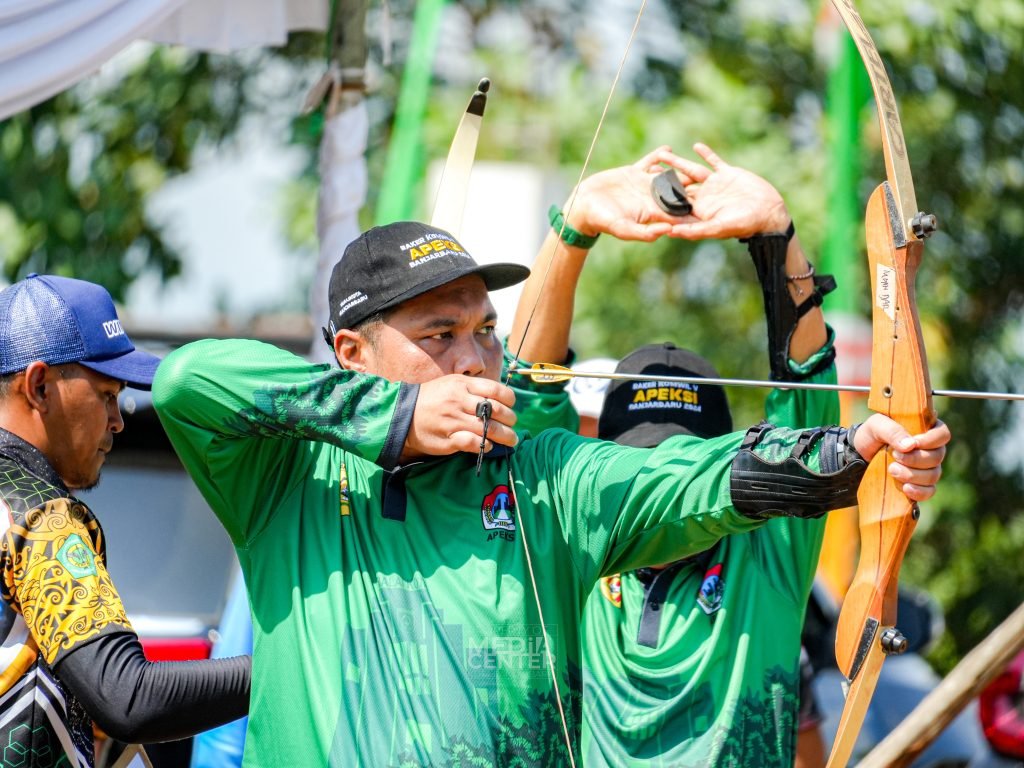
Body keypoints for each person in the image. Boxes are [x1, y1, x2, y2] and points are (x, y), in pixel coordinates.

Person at [152, 148, 949, 766]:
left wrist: (854, 452)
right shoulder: (289, 476)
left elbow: (692, 477)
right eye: (440, 336)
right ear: (354, 353)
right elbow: (189, 381)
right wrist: (398, 415)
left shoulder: (540, 475)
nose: (474, 360)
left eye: (486, 333)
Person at [507, 142, 836, 766]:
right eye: (637, 467)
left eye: (679, 463)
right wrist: (572, 229)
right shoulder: (570, 551)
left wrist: (777, 236)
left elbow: (808, 392)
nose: (657, 485)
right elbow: (528, 382)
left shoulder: (768, 547)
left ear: (718, 468)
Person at [0, 274, 250, 768]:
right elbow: (126, 696)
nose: (117, 420)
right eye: (107, 395)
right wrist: (290, 665)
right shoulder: (42, 518)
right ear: (40, 386)